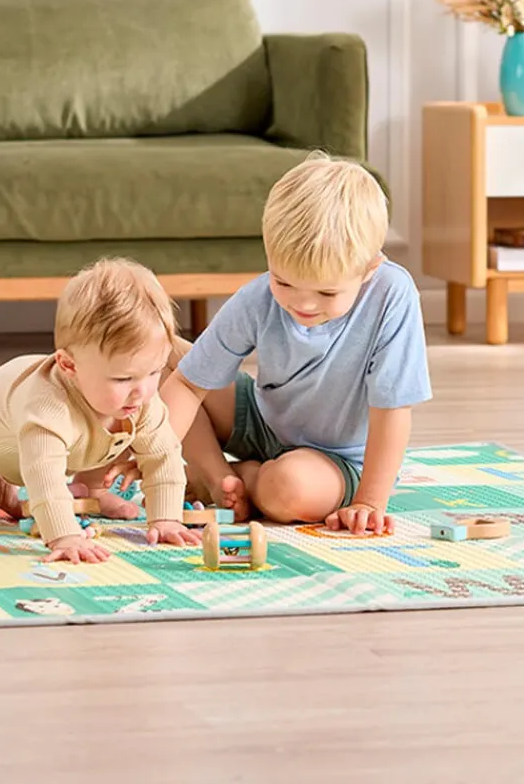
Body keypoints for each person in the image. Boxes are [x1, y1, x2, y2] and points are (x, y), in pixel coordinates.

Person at [160, 152, 432, 536]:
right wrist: (151, 455)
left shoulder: (392, 294)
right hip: (263, 418)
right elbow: (189, 383)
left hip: (336, 462)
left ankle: (244, 480)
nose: (302, 304)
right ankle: (215, 475)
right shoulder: (258, 297)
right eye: (284, 282)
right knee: (161, 358)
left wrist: (370, 501)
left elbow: (393, 409)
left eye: (326, 292)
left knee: (288, 489)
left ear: (369, 269)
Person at [0, 257, 200, 563]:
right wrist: (65, 536)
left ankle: (93, 490)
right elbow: (45, 475)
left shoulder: (139, 399)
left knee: (118, 423)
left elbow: (163, 457)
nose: (142, 390)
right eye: (123, 378)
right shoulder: (48, 407)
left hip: (78, 438)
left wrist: (166, 519)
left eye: (154, 371)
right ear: (69, 365)